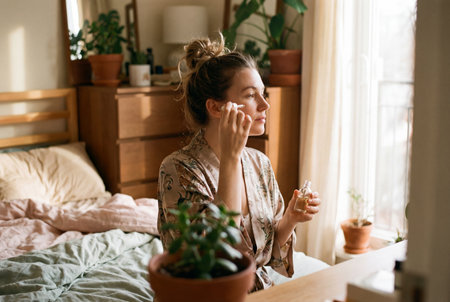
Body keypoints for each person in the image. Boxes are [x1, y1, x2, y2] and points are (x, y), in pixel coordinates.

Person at [157, 33, 322, 292]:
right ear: (215, 108)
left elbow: (267, 256)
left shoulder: (260, 164)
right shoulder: (177, 169)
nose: (265, 105)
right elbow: (215, 262)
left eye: (263, 94)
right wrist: (231, 160)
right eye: (250, 95)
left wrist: (290, 218)